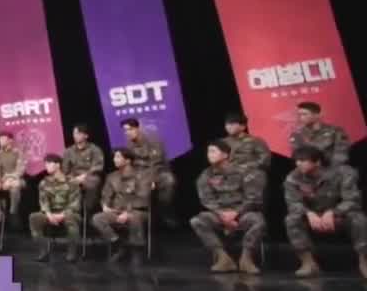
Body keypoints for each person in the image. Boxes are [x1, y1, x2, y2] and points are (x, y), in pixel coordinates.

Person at [283, 145, 367, 279]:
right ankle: (308, 263)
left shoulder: (342, 173)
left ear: (317, 162)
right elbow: (293, 202)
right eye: (297, 160)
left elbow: (353, 200)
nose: (298, 163)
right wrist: (308, 213)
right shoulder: (293, 177)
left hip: (339, 216)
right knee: (292, 219)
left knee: (358, 218)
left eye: (303, 160)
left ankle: (364, 261)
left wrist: (334, 212)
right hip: (313, 218)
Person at [191, 140, 266, 274]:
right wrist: (222, 215)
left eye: (213, 151)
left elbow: (253, 197)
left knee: (258, 221)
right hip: (219, 215)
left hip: (242, 213)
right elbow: (207, 200)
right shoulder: (205, 175)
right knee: (197, 221)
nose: (209, 155)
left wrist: (236, 213)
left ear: (225, 155)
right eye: (208, 152)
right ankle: (223, 258)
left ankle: (246, 259)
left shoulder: (244, 172)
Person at [93, 147, 150, 264]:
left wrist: (128, 213)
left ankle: (136, 250)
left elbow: (143, 198)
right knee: (97, 218)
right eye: (114, 157)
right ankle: (118, 243)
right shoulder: (111, 176)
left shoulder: (141, 176)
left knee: (134, 218)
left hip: (137, 211)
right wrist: (105, 206)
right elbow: (106, 195)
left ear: (127, 160)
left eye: (118, 157)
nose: (114, 159)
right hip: (117, 211)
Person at [121, 118, 176, 226]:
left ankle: (165, 211)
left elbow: (156, 163)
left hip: (158, 171)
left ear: (137, 128)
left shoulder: (152, 140)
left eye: (130, 129)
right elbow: (132, 162)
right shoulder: (129, 144)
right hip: (140, 172)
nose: (127, 133)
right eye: (125, 130)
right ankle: (136, 215)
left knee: (169, 181)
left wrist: (152, 179)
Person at [30, 153, 80, 263]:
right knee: (34, 217)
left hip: (68, 213)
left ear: (58, 165)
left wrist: (62, 215)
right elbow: (44, 202)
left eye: (49, 163)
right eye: (45, 164)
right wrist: (49, 215)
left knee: (72, 218)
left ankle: (71, 253)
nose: (46, 166)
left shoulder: (71, 182)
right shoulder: (44, 183)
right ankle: (44, 252)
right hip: (50, 214)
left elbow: (75, 203)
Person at [289, 102, 352, 166]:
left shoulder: (335, 131)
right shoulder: (297, 135)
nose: (300, 117)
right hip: (309, 169)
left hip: (333, 168)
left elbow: (342, 155)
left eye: (304, 114)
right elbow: (299, 157)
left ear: (317, 115)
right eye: (299, 115)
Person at [0, 131, 27, 225]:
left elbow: (20, 169)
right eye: (0, 139)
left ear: (10, 140)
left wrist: (10, 178)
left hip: (17, 179)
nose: (0, 141)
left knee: (14, 188)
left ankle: (13, 212)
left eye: (3, 139)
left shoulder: (18, 153)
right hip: (2, 180)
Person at [62, 123, 104, 210]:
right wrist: (73, 178)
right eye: (74, 133)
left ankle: (89, 210)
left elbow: (98, 166)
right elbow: (65, 170)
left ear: (86, 135)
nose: (75, 135)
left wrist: (85, 176)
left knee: (93, 183)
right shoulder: (68, 151)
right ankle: (72, 211)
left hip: (90, 177)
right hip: (73, 178)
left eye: (78, 133)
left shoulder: (94, 149)